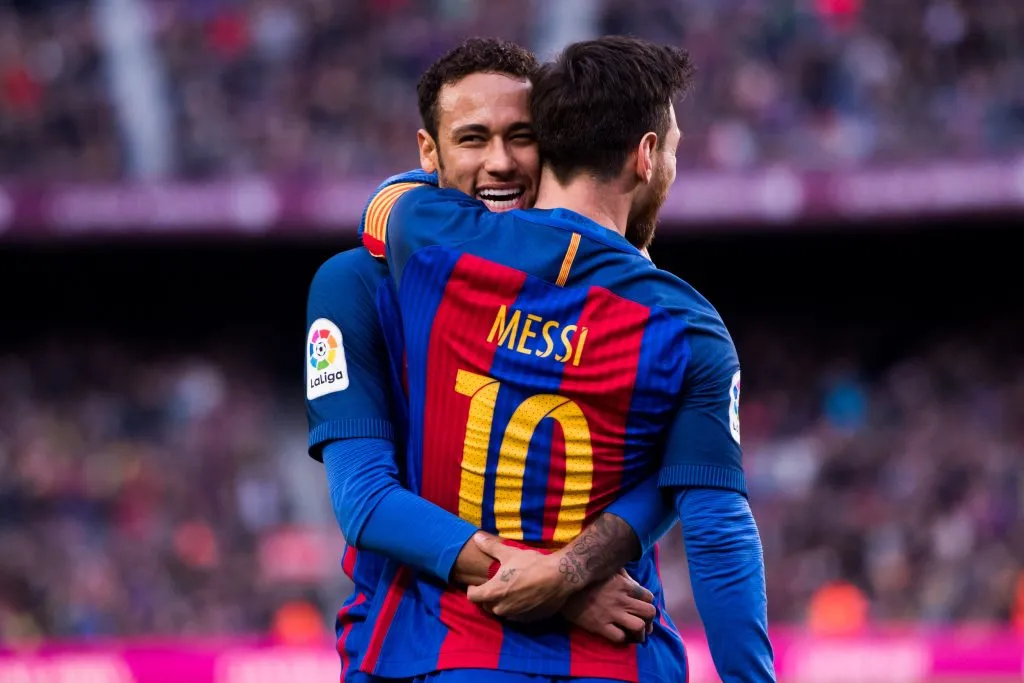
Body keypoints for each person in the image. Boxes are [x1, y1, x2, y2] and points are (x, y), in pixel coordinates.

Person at [356, 36, 776, 683]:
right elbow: (718, 533)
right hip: (619, 663)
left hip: (455, 657)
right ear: (645, 156)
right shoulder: (688, 328)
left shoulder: (432, 241)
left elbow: (391, 198)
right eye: (673, 150)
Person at [306, 38, 675, 682]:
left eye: (522, 136)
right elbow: (365, 497)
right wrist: (559, 582)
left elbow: (673, 467)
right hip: (429, 647)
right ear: (431, 153)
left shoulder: (622, 290)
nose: (500, 163)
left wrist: (569, 571)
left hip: (614, 654)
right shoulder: (355, 285)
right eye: (473, 139)